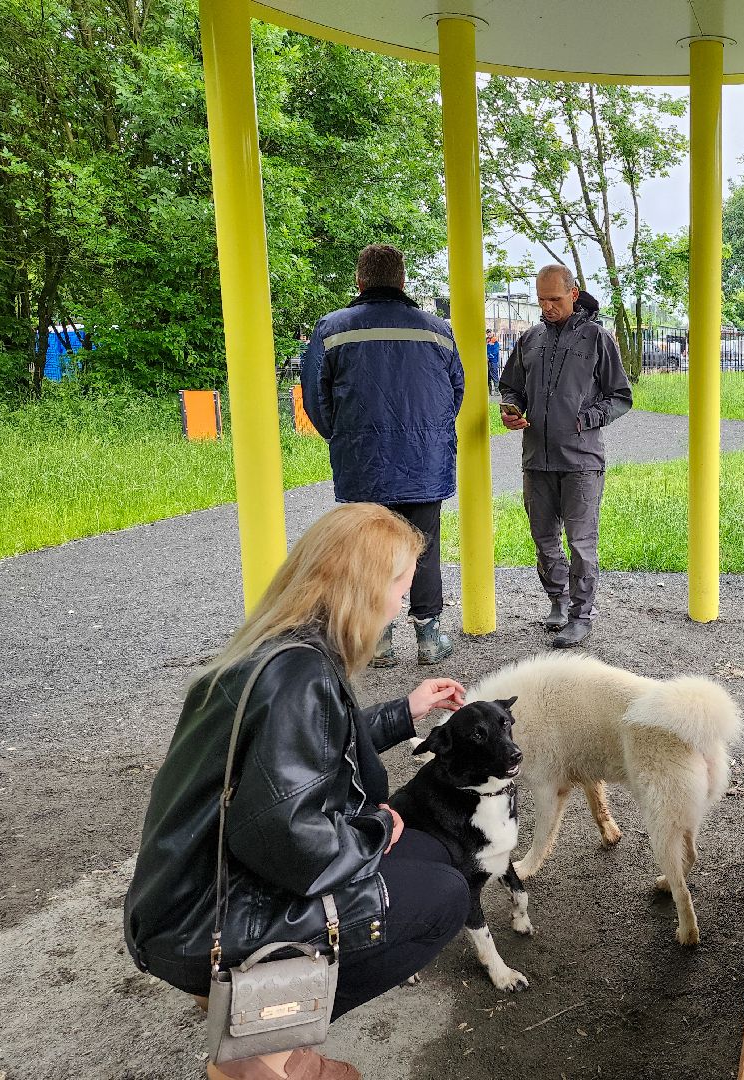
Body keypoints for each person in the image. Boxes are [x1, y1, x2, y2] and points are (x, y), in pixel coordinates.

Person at [124, 503, 471, 1080]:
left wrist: (405, 714)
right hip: (203, 922)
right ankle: (262, 1046)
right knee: (444, 900)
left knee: (432, 854)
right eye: (400, 587)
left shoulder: (277, 649)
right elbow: (290, 844)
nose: (401, 605)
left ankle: (273, 1033)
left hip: (187, 890)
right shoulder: (299, 676)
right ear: (362, 589)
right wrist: (376, 827)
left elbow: (311, 751)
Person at [300, 243, 464, 667]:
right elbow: (456, 392)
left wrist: (343, 436)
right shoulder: (437, 330)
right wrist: (430, 437)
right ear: (403, 281)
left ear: (360, 281)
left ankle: (379, 640)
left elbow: (316, 400)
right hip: (425, 461)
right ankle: (429, 636)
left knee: (370, 547)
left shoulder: (332, 329)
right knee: (424, 545)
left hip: (363, 460)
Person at [498, 264, 633, 648]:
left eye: (554, 299)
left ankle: (581, 615)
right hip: (536, 459)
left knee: (580, 541)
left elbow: (621, 396)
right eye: (541, 300)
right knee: (543, 538)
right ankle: (557, 600)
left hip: (581, 461)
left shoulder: (597, 338)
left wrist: (586, 418)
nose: (547, 307)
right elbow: (511, 387)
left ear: (573, 294)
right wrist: (509, 408)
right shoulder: (530, 339)